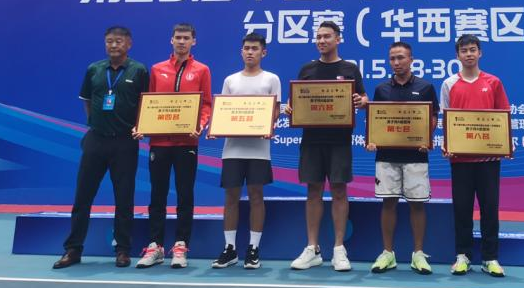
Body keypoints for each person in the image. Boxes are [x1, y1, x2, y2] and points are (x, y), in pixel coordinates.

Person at [53, 26, 149, 269]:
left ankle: (123, 250)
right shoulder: (94, 69)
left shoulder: (138, 71)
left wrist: (138, 127)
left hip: (125, 142)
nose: (113, 45)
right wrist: (95, 123)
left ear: (129, 44)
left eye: (118, 41)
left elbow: (146, 104)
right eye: (109, 41)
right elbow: (87, 100)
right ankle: (73, 249)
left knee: (124, 198)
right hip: (96, 139)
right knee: (82, 197)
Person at [286, 21, 368, 271]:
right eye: (318, 37)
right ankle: (312, 248)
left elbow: (363, 97)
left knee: (339, 191)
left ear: (338, 39)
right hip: (312, 140)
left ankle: (339, 249)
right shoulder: (307, 69)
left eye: (327, 36)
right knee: (313, 191)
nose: (321, 41)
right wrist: (290, 107)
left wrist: (361, 101)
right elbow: (295, 100)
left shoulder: (350, 69)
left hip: (339, 140)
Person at [134, 23, 212, 269]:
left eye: (186, 38)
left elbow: (206, 104)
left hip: (187, 142)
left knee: (185, 194)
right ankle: (155, 246)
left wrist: (200, 124)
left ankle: (180, 246)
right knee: (157, 194)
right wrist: (142, 125)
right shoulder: (157, 69)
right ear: (171, 40)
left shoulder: (202, 70)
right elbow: (149, 103)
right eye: (178, 37)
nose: (181, 41)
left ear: (193, 42)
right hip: (159, 142)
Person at [440, 34, 509, 278]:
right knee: (462, 209)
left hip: (489, 160)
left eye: (472, 50)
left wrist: (505, 145)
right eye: (464, 50)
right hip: (460, 160)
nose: (469, 54)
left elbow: (503, 115)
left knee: (490, 208)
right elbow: (446, 118)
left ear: (480, 53)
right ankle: (463, 255)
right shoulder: (449, 84)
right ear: (457, 55)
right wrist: (448, 145)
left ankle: (490, 258)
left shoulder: (493, 82)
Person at [367, 42, 439, 275]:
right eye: (392, 58)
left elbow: (433, 117)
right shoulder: (381, 89)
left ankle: (418, 254)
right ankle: (388, 253)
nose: (396, 62)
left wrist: (427, 138)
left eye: (401, 58)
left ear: (411, 60)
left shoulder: (425, 87)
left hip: (416, 156)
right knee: (388, 203)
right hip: (386, 156)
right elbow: (376, 121)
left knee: (417, 204)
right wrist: (372, 140)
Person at [211, 33, 281, 270]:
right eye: (246, 48)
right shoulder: (231, 80)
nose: (250, 52)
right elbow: (223, 112)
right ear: (241, 52)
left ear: (264, 52)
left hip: (259, 150)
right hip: (232, 149)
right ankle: (230, 248)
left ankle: (253, 248)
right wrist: (217, 128)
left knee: (256, 196)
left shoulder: (271, 79)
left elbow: (275, 111)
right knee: (231, 197)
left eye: (255, 48)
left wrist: (268, 126)